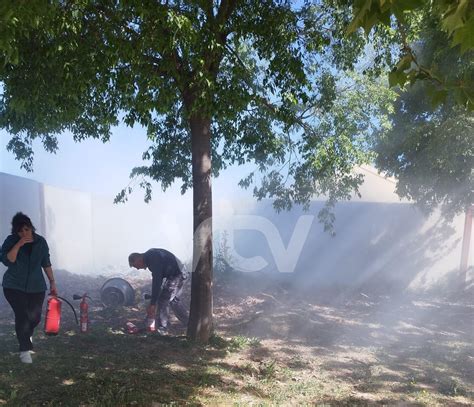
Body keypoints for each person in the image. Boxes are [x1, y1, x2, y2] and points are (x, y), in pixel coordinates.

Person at [1, 212, 58, 364]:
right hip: (13, 285)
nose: (24, 233)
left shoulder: (41, 242)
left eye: (26, 229)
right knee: (22, 315)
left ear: (31, 227)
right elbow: (8, 260)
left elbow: (46, 262)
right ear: (16, 232)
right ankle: (24, 350)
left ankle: (26, 335)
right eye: (20, 231)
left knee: (35, 317)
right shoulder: (11, 240)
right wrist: (19, 244)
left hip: (36, 286)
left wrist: (52, 281)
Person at [128, 249, 189, 334]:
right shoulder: (150, 258)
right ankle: (188, 322)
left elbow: (157, 281)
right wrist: (154, 298)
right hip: (178, 273)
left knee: (163, 300)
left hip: (178, 274)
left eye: (136, 266)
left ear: (138, 259)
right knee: (173, 300)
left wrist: (153, 303)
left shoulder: (152, 258)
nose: (138, 269)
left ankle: (163, 328)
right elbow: (157, 282)